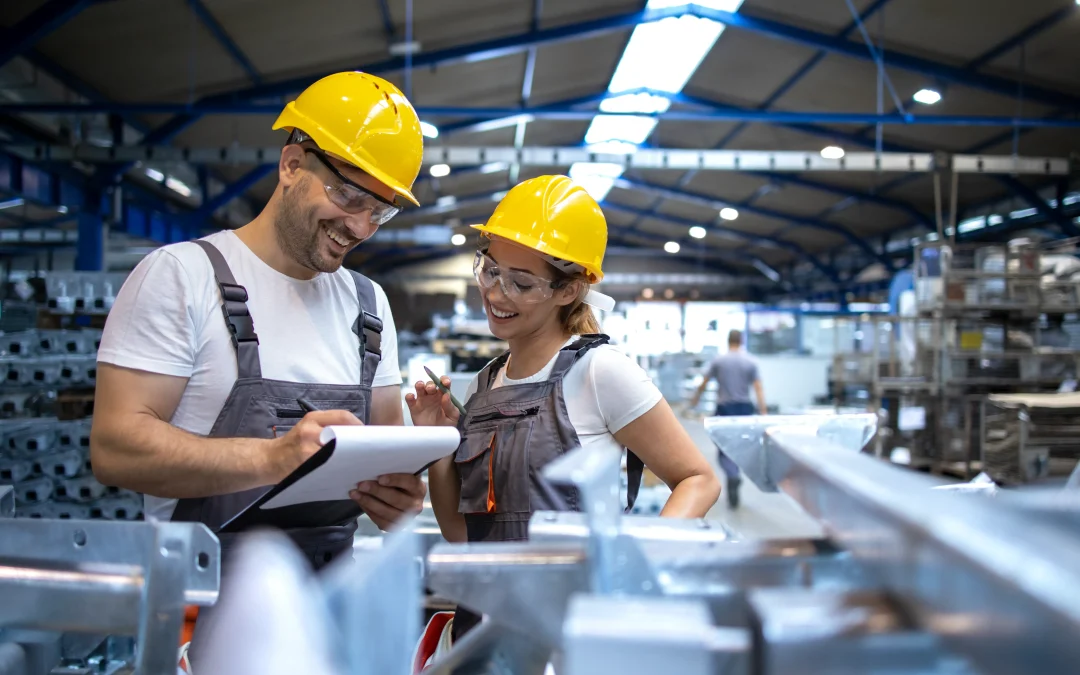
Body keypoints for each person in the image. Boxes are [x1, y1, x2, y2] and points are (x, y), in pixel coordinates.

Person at [89, 72, 428, 667]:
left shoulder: (369, 306)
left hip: (323, 627)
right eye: (350, 196)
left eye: (381, 211)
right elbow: (116, 447)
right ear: (292, 163)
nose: (360, 227)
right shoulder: (182, 276)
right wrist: (273, 458)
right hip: (196, 627)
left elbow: (384, 454)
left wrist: (398, 497)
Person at [407, 175, 721, 648]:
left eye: (521, 282)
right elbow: (459, 532)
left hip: (571, 636)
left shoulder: (600, 372)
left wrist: (634, 564)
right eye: (490, 270)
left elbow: (699, 479)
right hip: (484, 634)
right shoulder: (483, 385)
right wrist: (438, 443)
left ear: (568, 290)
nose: (496, 293)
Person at [688, 329, 766, 508]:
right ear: (742, 340)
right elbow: (758, 387)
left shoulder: (719, 361)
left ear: (728, 340)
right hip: (745, 408)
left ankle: (732, 474)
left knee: (724, 448)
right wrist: (763, 411)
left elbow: (705, 382)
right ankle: (735, 473)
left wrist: (695, 400)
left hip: (725, 408)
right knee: (741, 445)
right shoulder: (750, 361)